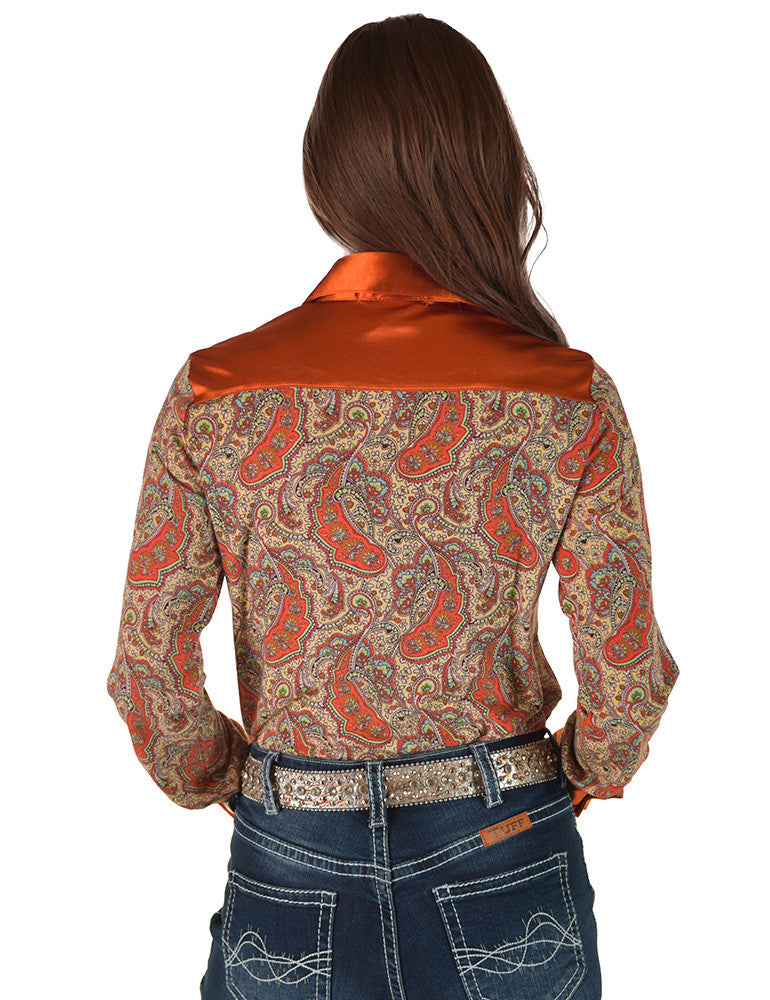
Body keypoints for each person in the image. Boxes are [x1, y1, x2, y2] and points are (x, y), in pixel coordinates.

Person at [106, 14, 679, 1000]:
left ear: (326, 173)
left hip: (292, 840)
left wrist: (231, 781)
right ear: (492, 167)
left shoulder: (216, 393)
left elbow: (149, 664)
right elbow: (623, 671)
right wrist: (585, 768)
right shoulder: (567, 395)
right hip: (503, 835)